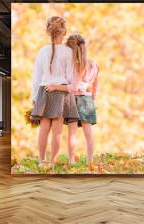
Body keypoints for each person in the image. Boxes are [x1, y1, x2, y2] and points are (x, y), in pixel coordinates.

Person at [30, 16, 78, 167]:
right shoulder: (68, 52)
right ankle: (52, 163)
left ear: (48, 31)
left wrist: (34, 97)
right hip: (61, 93)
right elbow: (71, 78)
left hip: (43, 92)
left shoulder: (41, 51)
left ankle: (41, 161)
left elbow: (36, 77)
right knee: (57, 131)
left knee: (43, 129)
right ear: (64, 32)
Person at [65, 33, 99, 165]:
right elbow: (95, 85)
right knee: (88, 134)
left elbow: (66, 83)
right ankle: (90, 161)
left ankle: (71, 160)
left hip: (72, 99)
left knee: (72, 133)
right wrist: (92, 98)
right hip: (87, 100)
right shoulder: (93, 65)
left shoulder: (69, 65)